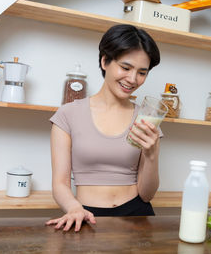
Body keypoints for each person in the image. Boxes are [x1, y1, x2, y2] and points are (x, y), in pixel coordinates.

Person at [46, 24, 162, 232]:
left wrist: (152, 154)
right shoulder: (67, 114)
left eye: (142, 72)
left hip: (138, 215)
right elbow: (60, 184)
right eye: (126, 68)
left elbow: (147, 194)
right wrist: (74, 208)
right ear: (105, 61)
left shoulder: (146, 120)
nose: (133, 79)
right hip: (86, 215)